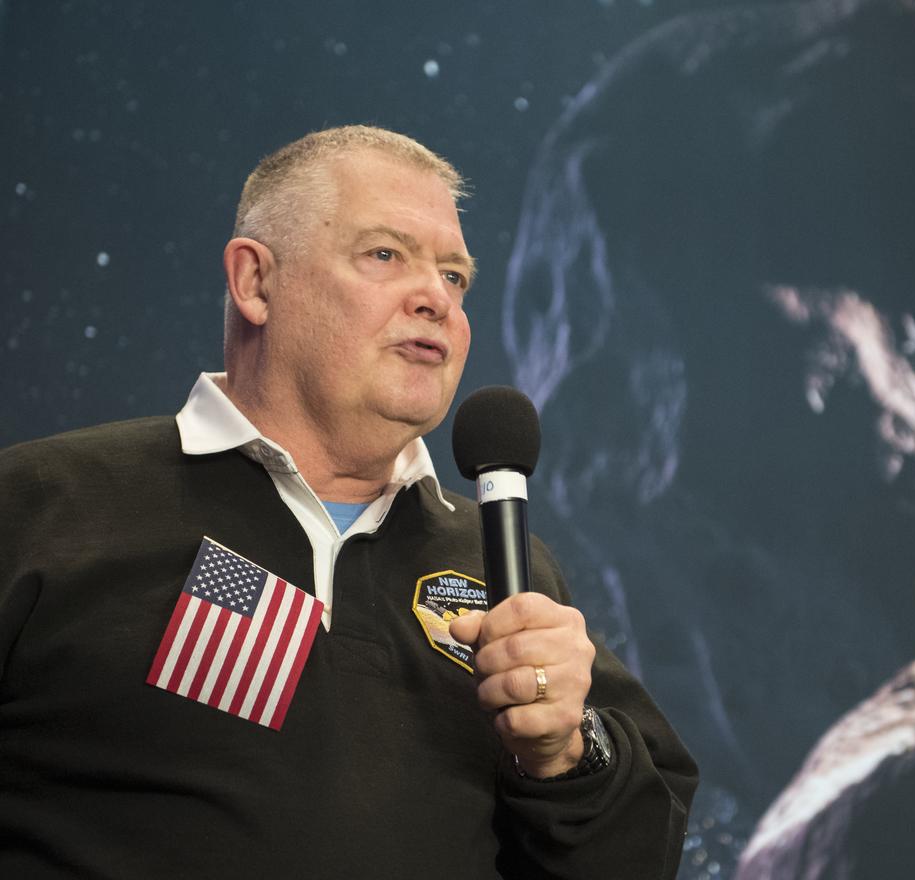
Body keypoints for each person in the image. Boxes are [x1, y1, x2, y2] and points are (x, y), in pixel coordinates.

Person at [0, 125, 697, 878]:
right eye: (385, 255)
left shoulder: (507, 570)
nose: (436, 298)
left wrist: (565, 754)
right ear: (255, 283)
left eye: (455, 276)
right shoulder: (44, 506)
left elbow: (637, 858)